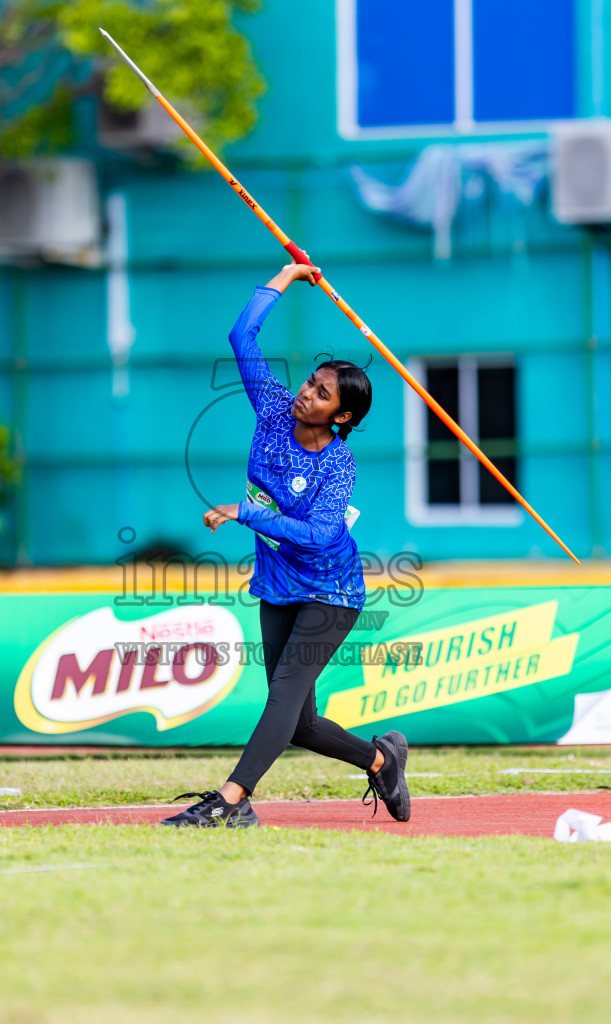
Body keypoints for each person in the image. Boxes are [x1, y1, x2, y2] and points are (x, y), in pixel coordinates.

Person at [161, 260, 410, 828]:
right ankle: (382, 760)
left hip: (331, 591)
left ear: (341, 415)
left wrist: (244, 511)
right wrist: (285, 277)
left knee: (282, 696)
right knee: (299, 724)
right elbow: (241, 336)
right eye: (309, 382)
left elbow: (322, 534)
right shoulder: (273, 409)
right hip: (277, 585)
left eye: (321, 394)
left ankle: (231, 801)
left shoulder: (337, 463)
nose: (306, 394)